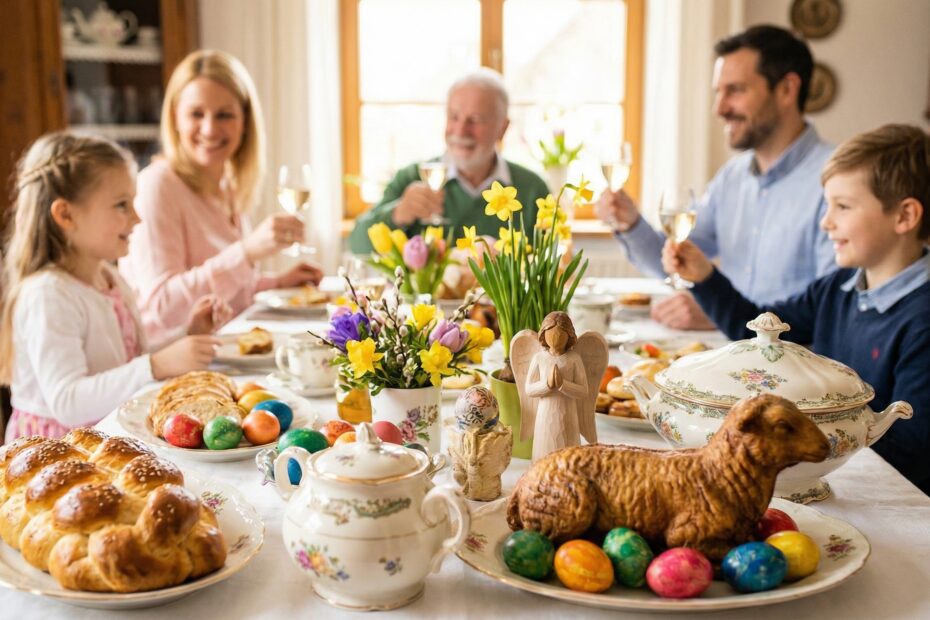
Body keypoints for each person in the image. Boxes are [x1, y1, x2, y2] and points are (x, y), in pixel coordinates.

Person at [663, 124, 930, 494]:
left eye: (843, 206)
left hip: (881, 494)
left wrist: (797, 437)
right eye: (827, 205)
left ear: (904, 216)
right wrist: (707, 277)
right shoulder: (837, 288)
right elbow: (759, 331)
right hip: (827, 476)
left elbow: (912, 451)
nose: (826, 222)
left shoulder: (922, 319)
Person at [596, 25, 835, 330]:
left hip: (795, 366)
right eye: (718, 92)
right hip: (733, 356)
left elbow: (832, 311)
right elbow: (673, 261)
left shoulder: (835, 181)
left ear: (787, 89)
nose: (719, 109)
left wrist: (723, 314)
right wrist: (630, 223)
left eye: (734, 90)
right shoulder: (732, 177)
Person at [0, 132, 225, 443]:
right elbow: (67, 402)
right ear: (65, 214)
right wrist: (156, 365)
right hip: (60, 450)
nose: (136, 218)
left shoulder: (110, 278)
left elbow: (128, 364)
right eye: (121, 205)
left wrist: (188, 336)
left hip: (109, 433)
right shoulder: (48, 294)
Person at [121, 50, 322, 342]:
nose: (210, 128)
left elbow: (227, 295)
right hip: (170, 363)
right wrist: (247, 251)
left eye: (224, 115)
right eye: (196, 114)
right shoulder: (157, 185)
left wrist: (276, 283)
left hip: (221, 350)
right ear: (176, 117)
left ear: (245, 122)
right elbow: (163, 308)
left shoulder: (226, 184)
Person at [348, 68, 549, 254]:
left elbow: (555, 264)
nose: (460, 131)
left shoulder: (532, 189)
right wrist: (397, 214)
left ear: (502, 128)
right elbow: (357, 247)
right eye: (454, 117)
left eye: (475, 120)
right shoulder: (411, 178)